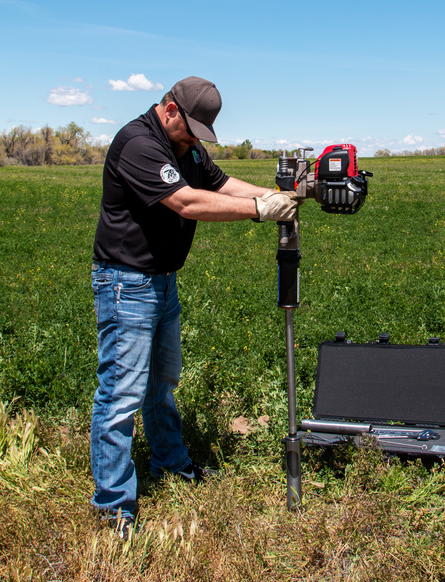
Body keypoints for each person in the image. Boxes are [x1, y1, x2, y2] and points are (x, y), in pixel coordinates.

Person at [90, 76, 298, 539]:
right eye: (190, 130)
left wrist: (276, 197)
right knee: (120, 395)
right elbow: (185, 203)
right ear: (169, 110)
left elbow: (223, 184)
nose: (194, 141)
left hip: (162, 284)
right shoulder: (138, 143)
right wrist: (260, 212)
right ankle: (112, 510)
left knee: (161, 386)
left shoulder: (188, 150)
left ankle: (170, 463)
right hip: (126, 284)